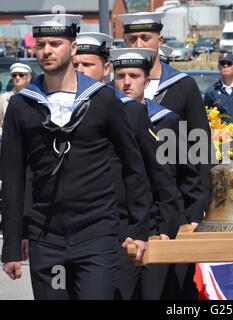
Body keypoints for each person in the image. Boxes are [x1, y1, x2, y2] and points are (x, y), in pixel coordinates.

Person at [0, 14, 151, 300]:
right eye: (41, 44)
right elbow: (13, 179)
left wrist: (138, 229)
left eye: (55, 43)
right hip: (47, 240)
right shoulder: (22, 106)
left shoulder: (102, 99)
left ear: (73, 47)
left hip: (97, 235)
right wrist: (11, 245)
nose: (46, 50)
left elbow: (134, 166)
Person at [73, 32, 181, 300]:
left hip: (128, 226)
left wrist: (167, 228)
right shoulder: (71, 113)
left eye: (87, 64)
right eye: (77, 65)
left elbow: (160, 175)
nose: (126, 83)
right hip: (91, 225)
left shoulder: (131, 113)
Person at [118, 11, 211, 299]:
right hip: (130, 211)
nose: (139, 43)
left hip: (177, 209)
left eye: (146, 37)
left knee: (176, 291)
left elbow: (199, 148)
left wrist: (197, 209)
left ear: (159, 39)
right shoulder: (118, 89)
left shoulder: (182, 86)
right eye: (132, 38)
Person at [0, 63, 32, 137]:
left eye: (21, 75)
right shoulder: (4, 98)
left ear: (29, 78)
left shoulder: (35, 98)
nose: (17, 78)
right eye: (14, 75)